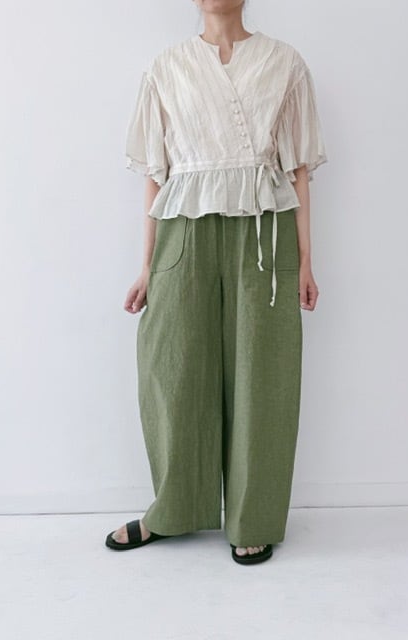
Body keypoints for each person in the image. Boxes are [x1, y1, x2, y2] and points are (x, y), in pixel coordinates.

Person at [105, 0, 328, 565]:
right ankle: (173, 509)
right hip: (184, 229)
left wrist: (305, 259)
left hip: (264, 229)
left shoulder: (285, 63)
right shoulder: (166, 68)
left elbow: (299, 170)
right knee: (173, 369)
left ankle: (253, 518)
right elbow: (155, 176)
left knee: (263, 374)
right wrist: (147, 265)